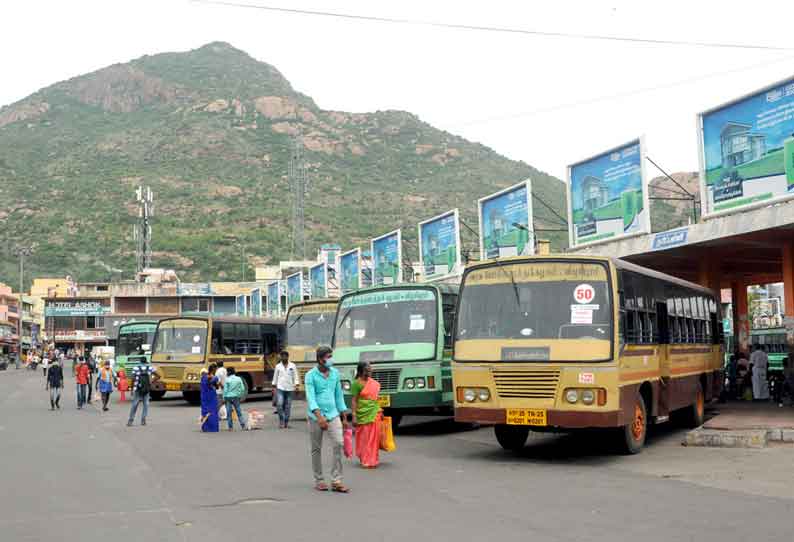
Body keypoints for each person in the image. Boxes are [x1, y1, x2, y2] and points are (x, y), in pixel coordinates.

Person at [305, 346, 350, 493]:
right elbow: (311, 398)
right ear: (320, 359)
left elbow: (339, 395)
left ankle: (336, 480)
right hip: (316, 417)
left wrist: (344, 416)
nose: (331, 359)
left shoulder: (335, 373)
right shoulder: (310, 375)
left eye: (332, 356)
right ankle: (319, 479)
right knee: (316, 448)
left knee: (338, 443)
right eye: (328, 357)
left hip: (333, 414)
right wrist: (319, 417)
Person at [351, 361, 382, 469]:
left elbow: (376, 399)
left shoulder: (373, 383)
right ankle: (364, 457)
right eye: (367, 370)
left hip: (375, 412)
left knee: (374, 438)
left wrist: (380, 410)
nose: (370, 372)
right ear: (361, 371)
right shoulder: (356, 384)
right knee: (364, 438)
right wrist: (354, 416)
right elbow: (354, 401)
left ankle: (371, 459)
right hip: (362, 414)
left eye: (370, 370)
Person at [127, 359, 160, 426]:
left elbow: (133, 378)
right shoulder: (150, 368)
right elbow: (158, 376)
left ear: (140, 362)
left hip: (137, 389)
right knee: (146, 405)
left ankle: (130, 421)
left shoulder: (136, 368)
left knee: (135, 405)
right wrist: (151, 382)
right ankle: (143, 420)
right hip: (146, 389)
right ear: (146, 362)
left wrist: (132, 389)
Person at [272, 351, 299, 428]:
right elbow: (275, 377)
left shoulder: (292, 365)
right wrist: (274, 387)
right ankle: (282, 420)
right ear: (280, 357)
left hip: (290, 388)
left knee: (288, 406)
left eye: (285, 356)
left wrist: (296, 385)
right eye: (282, 356)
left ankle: (286, 422)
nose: (283, 358)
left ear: (287, 357)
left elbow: (295, 376)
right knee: (279, 404)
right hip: (280, 388)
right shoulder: (278, 366)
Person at [200, 364, 220, 432]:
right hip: (207, 397)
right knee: (207, 411)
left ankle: (211, 427)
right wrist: (214, 378)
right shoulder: (205, 377)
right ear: (213, 370)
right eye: (215, 370)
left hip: (211, 397)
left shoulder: (210, 377)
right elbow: (209, 382)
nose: (216, 371)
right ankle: (207, 427)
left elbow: (217, 387)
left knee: (212, 412)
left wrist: (215, 382)